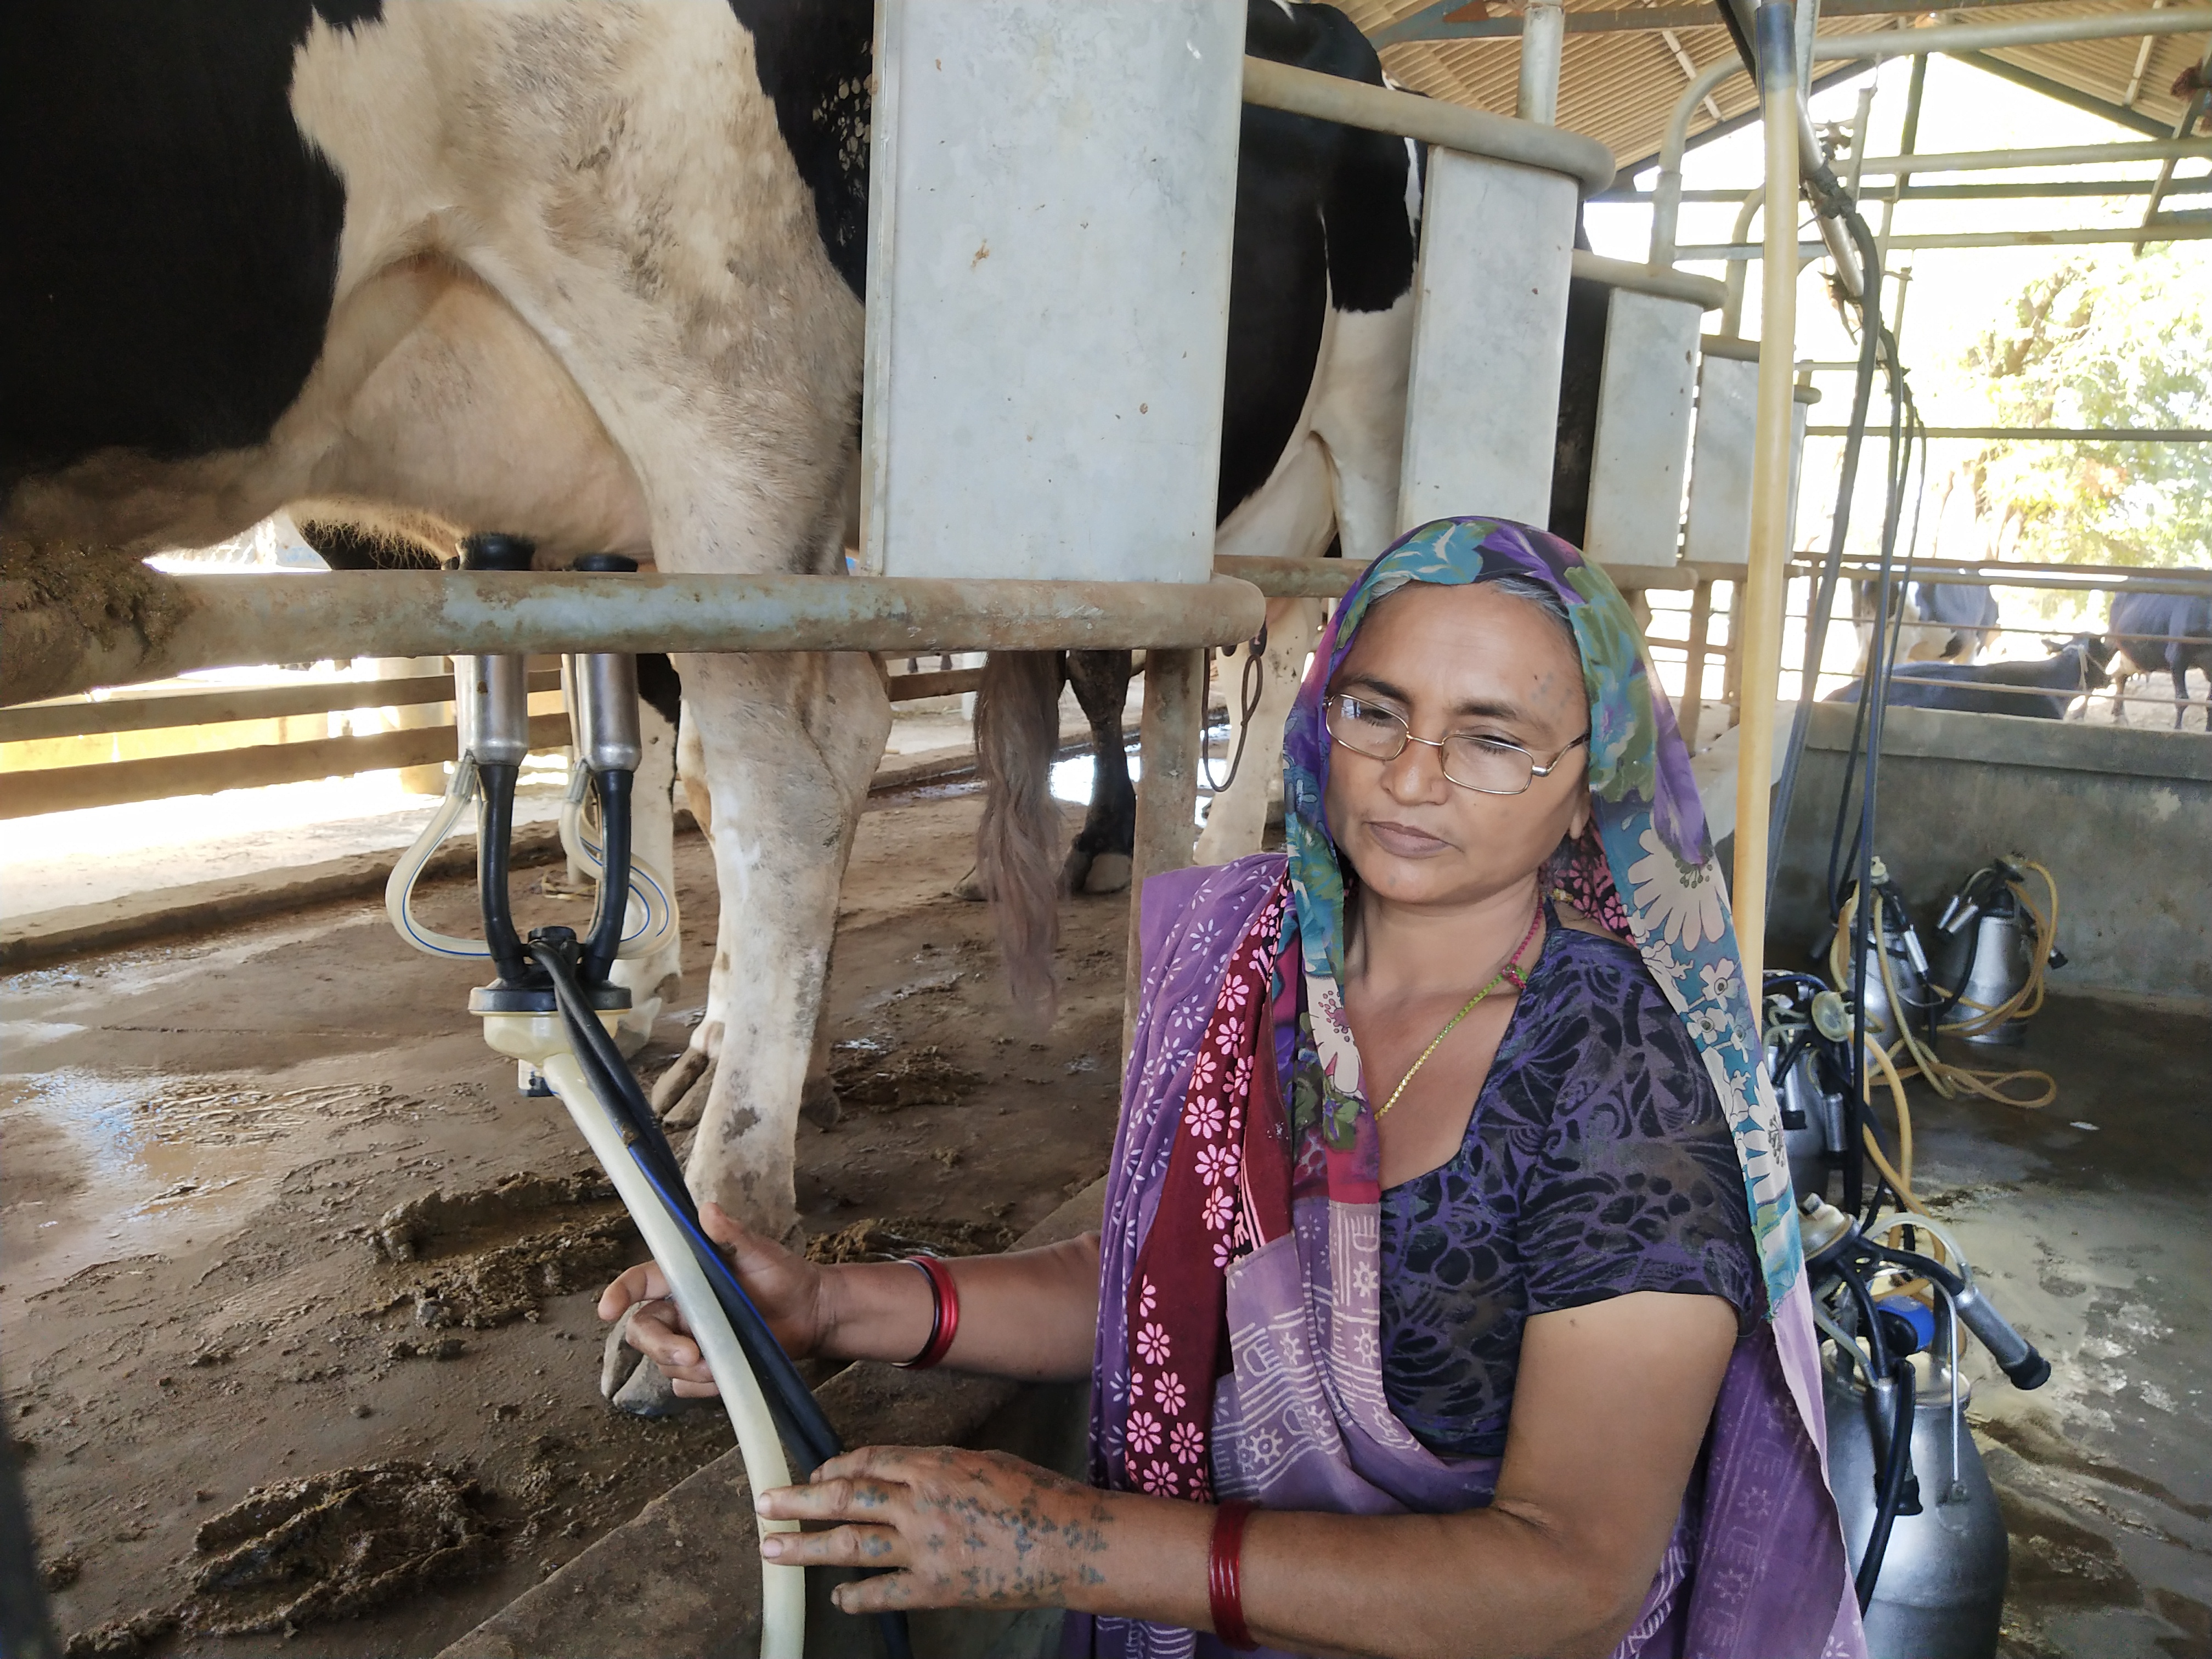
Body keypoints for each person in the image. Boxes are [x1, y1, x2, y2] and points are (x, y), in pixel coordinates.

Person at [601, 517, 1866, 1658]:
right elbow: (1157, 1282)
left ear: (1597, 780)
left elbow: (1568, 1581)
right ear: (1320, 715)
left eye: (1493, 740)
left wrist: (1066, 1548)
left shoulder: (1627, 1079)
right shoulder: (1255, 959)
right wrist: (830, 1307)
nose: (1414, 777)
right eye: (1377, 712)